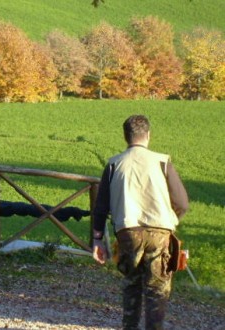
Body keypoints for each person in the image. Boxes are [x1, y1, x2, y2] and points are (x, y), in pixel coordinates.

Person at [92, 115, 189, 330]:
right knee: (157, 290)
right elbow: (182, 203)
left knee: (132, 286)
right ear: (148, 135)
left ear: (125, 137)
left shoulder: (113, 164)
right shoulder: (163, 162)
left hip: (128, 232)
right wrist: (170, 222)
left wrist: (97, 240)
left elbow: (100, 208)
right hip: (160, 232)